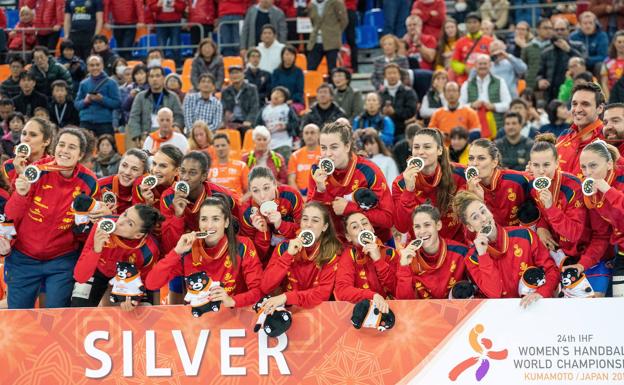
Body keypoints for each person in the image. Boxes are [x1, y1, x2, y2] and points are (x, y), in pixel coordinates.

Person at [5, 127, 98, 309]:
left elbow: (85, 229)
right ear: (54, 147)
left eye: (72, 147)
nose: (64, 150)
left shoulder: (89, 182)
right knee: (18, 317)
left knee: (56, 317)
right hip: (24, 258)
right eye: (61, 145)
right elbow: (11, 216)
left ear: (80, 155)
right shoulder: (36, 171)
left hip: (61, 261)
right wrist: (21, 194)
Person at [145, 196, 264, 308]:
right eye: (204, 219)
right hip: (198, 322)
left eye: (216, 219)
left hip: (234, 320)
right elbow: (151, 283)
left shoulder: (243, 246)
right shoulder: (188, 250)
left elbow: (258, 291)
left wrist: (232, 301)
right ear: (199, 223)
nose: (209, 225)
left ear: (226, 222)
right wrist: (176, 251)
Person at [452, 190, 559, 303]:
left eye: (483, 211)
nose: (483, 219)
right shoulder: (472, 258)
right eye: (475, 217)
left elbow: (552, 270)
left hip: (533, 305)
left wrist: (541, 293)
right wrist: (483, 256)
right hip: (502, 313)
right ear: (470, 227)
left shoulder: (525, 235)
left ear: (490, 211)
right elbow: (495, 293)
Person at [308, 121, 394, 243]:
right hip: (338, 245)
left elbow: (388, 219)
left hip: (376, 242)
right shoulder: (316, 171)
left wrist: (350, 207)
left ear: (347, 146)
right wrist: (320, 190)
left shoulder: (369, 171)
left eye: (334, 147)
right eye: (323, 148)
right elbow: (311, 220)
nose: (327, 154)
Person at [72, 204, 162, 307]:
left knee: (142, 310)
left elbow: (145, 283)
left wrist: (133, 300)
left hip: (126, 279)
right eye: (125, 214)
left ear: (138, 235)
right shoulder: (102, 225)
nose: (120, 221)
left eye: (130, 224)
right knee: (78, 309)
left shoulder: (149, 251)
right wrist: (95, 250)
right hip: (98, 271)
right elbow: (80, 277)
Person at [260, 201, 342, 310]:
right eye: (305, 219)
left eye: (315, 220)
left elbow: (322, 294)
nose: (308, 224)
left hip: (317, 312)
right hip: (289, 310)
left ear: (325, 227)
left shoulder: (332, 252)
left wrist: (287, 297)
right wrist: (288, 256)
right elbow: (266, 286)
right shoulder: (284, 248)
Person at [393, 127, 465, 240]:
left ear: (439, 150)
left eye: (427, 147)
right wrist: (409, 190)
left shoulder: (460, 174)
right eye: (416, 147)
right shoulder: (400, 182)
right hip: (420, 247)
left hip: (456, 247)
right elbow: (402, 227)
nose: (420, 152)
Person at [159, 151, 236, 256]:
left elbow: (235, 231)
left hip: (214, 250)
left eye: (192, 172)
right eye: (183, 171)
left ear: (204, 176)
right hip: (184, 251)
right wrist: (178, 215)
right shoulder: (168, 197)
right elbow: (169, 246)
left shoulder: (221, 195)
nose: (185, 177)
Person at [527, 134, 587, 264]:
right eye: (536, 165)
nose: (541, 171)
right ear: (530, 166)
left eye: (546, 165)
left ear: (557, 164)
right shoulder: (532, 185)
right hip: (555, 250)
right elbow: (542, 214)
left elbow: (574, 234)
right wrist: (541, 227)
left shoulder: (573, 186)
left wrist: (551, 208)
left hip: (580, 253)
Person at [578, 141, 624, 296]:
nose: (587, 173)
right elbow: (601, 235)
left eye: (593, 166)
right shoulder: (593, 194)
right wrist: (582, 264)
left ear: (609, 164)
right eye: (583, 167)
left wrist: (608, 190)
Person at [395, 204, 468, 299]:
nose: (422, 231)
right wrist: (404, 267)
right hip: (424, 312)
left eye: (427, 225)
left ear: (438, 225)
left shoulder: (461, 252)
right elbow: (404, 302)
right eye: (417, 227)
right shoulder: (407, 256)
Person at [238, 166, 303, 263]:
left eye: (266, 188)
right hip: (266, 262)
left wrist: (281, 224)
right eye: (255, 190)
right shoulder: (247, 213)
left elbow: (303, 231)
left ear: (275, 184)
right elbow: (253, 257)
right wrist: (263, 232)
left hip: (294, 253)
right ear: (250, 192)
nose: (262, 196)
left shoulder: (291, 196)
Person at [334, 212, 397, 307]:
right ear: (348, 237)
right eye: (355, 227)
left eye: (365, 223)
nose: (362, 228)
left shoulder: (391, 253)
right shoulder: (349, 255)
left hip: (391, 309)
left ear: (372, 228)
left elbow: (397, 290)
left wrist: (378, 260)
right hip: (362, 311)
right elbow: (342, 290)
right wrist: (372, 296)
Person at [464, 138, 531, 226]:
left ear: (494, 162)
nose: (474, 163)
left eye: (481, 158)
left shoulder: (518, 180)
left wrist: (542, 228)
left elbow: (541, 207)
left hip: (518, 237)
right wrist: (475, 199)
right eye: (471, 158)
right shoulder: (466, 190)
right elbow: (469, 234)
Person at [556, 83, 605, 178]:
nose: (577, 109)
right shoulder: (564, 135)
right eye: (574, 104)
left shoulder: (607, 138)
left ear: (600, 109)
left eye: (585, 104)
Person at [127, 66, 184, 148]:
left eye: (157, 76)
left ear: (163, 78)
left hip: (168, 136)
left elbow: (179, 116)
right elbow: (134, 118)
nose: (154, 79)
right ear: (148, 79)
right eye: (151, 76)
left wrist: (176, 126)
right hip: (146, 136)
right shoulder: (140, 97)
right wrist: (137, 136)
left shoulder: (173, 97)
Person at [460, 54, 512, 139]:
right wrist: (472, 105)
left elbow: (508, 104)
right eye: (480, 64)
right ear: (475, 66)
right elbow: (461, 106)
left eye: (485, 64)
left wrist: (493, 106)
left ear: (490, 65)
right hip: (474, 127)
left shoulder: (500, 81)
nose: (482, 66)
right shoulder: (467, 84)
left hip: (497, 126)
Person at [537, 17, 587, 102]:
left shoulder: (578, 46)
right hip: (551, 92)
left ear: (568, 30)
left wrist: (569, 50)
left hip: (574, 90)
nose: (559, 32)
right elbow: (539, 73)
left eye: (562, 29)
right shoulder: (546, 51)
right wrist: (540, 80)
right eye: (556, 30)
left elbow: (585, 63)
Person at [75, 55, 121, 137]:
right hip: (86, 122)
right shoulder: (83, 83)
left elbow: (117, 103)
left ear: (102, 65)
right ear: (88, 67)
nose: (95, 67)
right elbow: (77, 105)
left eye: (97, 64)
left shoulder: (111, 83)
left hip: (104, 122)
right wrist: (85, 101)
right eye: (92, 65)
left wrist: (102, 99)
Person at [132, 144, 183, 214]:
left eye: (163, 166)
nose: (155, 170)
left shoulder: (183, 190)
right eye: (154, 164)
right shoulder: (141, 184)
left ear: (177, 171)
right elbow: (136, 221)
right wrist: (147, 205)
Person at [2, 117, 54, 185]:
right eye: (24, 133)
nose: (25, 139)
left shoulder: (54, 167)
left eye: (33, 135)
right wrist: (18, 174)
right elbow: (6, 195)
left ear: (46, 141)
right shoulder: (8, 165)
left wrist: (23, 174)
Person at [97, 148, 149, 215]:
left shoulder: (146, 193)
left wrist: (148, 205)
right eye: (124, 165)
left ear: (143, 174)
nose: (127, 172)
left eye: (134, 169)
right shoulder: (99, 185)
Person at [255, 86, 299, 162]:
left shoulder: (287, 109)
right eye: (276, 93)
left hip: (284, 141)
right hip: (267, 142)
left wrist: (285, 126)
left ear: (284, 100)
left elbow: (295, 123)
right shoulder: (264, 110)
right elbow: (257, 124)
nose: (277, 96)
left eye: (281, 96)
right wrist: (264, 130)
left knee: (284, 161)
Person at [451, 12, 494, 85]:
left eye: (475, 22)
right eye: (469, 22)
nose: (472, 25)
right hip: (465, 81)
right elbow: (454, 63)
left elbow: (495, 60)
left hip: (486, 80)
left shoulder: (489, 41)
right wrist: (464, 68)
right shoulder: (460, 42)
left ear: (480, 24)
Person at [378, 63, 418, 141]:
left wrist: (395, 112)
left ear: (399, 75)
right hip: (384, 131)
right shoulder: (380, 93)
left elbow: (411, 111)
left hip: (403, 130)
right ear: (385, 76)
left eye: (394, 73)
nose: (392, 76)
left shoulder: (409, 92)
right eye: (389, 73)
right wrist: (382, 112)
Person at [307, 0, 348, 73]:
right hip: (315, 41)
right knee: (311, 68)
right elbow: (313, 21)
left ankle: (332, 84)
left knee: (332, 69)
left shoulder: (336, 2)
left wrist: (335, 32)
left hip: (332, 41)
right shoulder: (311, 5)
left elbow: (344, 21)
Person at [221, 65, 260, 133]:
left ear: (243, 75)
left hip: (245, 121)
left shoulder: (252, 89)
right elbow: (222, 108)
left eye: (237, 72)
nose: (235, 75)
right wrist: (223, 121)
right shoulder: (226, 91)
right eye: (232, 73)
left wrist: (249, 121)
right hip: (231, 122)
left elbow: (254, 107)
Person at [570, 11, 609, 76]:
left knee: (600, 65)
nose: (588, 26)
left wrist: (587, 60)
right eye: (585, 23)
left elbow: (603, 56)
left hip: (594, 65)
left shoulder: (602, 36)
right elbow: (570, 54)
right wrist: (580, 62)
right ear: (580, 24)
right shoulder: (573, 36)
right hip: (578, 64)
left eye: (590, 23)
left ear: (595, 23)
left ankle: (599, 85)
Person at [147, 0, 184, 65]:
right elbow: (151, 7)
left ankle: (177, 67)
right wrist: (157, 5)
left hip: (175, 22)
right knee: (161, 47)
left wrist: (175, 4)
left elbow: (182, 6)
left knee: (175, 47)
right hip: (160, 22)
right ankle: (160, 67)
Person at [288, 123, 320, 195]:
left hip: (319, 194)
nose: (309, 135)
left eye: (312, 132)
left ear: (319, 135)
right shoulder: (295, 155)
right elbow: (291, 180)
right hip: (301, 195)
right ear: (302, 135)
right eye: (306, 133)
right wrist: (300, 197)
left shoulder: (325, 154)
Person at [522, 18, 553, 92]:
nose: (548, 31)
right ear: (538, 30)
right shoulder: (528, 48)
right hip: (531, 86)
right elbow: (523, 67)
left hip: (550, 85)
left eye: (550, 28)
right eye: (545, 28)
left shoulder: (555, 47)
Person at [271, 45, 304, 112]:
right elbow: (274, 89)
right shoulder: (276, 72)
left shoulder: (299, 72)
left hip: (295, 102)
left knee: (290, 111)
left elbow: (299, 90)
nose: (289, 57)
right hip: (278, 101)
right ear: (282, 56)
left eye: (292, 55)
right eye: (287, 54)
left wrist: (292, 100)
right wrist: (281, 100)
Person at [601, 30, 624, 101]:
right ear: (614, 43)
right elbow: (604, 83)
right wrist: (609, 100)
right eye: (619, 42)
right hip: (613, 97)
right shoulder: (607, 61)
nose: (622, 44)